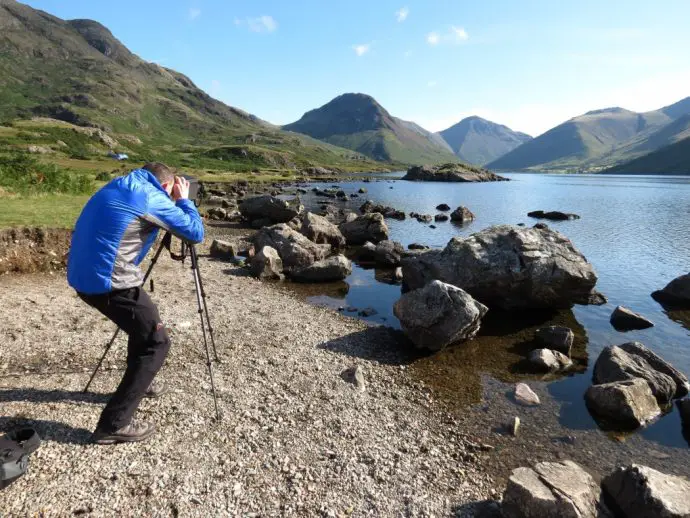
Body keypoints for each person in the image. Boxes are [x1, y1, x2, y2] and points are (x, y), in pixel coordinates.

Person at [67, 162, 204, 445]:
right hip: (110, 283)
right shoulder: (150, 197)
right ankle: (113, 425)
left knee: (140, 329)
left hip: (83, 277)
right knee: (157, 341)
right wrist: (185, 201)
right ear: (166, 185)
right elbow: (194, 233)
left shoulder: (119, 185)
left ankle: (142, 383)